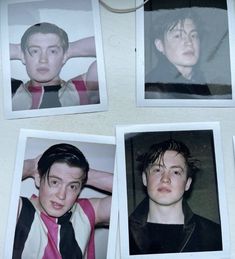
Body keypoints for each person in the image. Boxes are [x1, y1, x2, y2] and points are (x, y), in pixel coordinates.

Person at [13, 143, 113, 259]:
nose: (61, 196)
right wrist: (32, 166)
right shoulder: (19, 210)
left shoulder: (85, 211)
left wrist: (82, 175)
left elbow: (125, 194)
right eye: (55, 182)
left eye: (72, 187)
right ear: (39, 178)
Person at [129, 139, 222, 255]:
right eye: (157, 170)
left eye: (176, 172)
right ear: (144, 179)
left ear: (187, 183)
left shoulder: (215, 236)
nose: (165, 179)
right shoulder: (122, 232)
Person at [10, 22, 99, 110]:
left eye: (52, 51)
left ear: (64, 56)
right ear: (23, 56)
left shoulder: (81, 89)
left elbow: (107, 47)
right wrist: (19, 51)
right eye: (35, 51)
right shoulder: (11, 90)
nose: (43, 60)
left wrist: (68, 49)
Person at [145, 8, 213, 99]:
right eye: (178, 36)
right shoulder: (154, 88)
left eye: (193, 35)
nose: (189, 42)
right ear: (160, 45)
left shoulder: (198, 79)